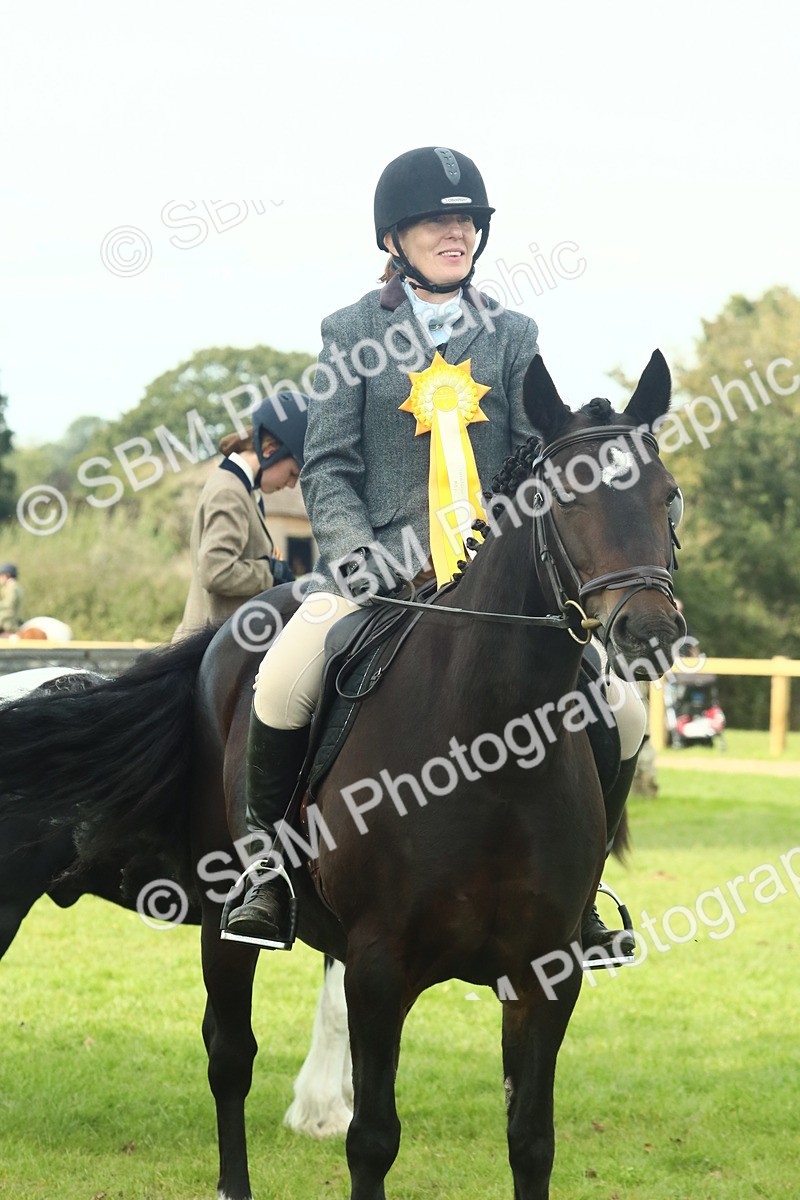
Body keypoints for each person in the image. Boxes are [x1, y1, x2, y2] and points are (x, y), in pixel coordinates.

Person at [225, 146, 646, 953]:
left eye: (464, 221)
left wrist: (527, 563)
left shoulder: (515, 333)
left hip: (497, 581)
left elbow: (536, 463)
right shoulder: (351, 331)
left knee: (622, 710)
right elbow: (330, 464)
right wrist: (357, 558)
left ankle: (583, 887)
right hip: (381, 568)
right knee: (284, 674)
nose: (453, 232)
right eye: (434, 221)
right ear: (395, 238)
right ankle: (269, 873)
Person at [173, 394, 308, 640]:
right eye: (292, 473)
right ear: (270, 451)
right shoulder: (229, 491)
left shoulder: (241, 489)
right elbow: (216, 572)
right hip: (206, 648)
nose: (291, 485)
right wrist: (270, 573)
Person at [0, 563, 24, 635]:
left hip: (8, 620)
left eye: (1, 575)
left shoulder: (12, 587)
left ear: (7, 575)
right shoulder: (13, 587)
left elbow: (8, 604)